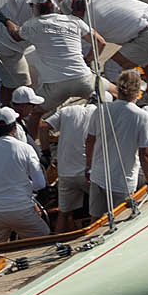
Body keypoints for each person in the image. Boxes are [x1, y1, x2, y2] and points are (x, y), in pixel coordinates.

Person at [5, 0, 106, 112]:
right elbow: (100, 43)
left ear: (34, 8)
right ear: (52, 4)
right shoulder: (74, 21)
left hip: (54, 86)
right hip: (83, 79)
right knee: (114, 93)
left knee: (36, 113)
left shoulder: (31, 26)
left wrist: (6, 21)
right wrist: (87, 59)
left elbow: (15, 35)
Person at [0, 107, 51, 245]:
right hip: (22, 211)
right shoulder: (26, 149)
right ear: (15, 126)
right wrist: (25, 186)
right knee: (46, 241)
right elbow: (40, 184)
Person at [85, 71, 148, 218]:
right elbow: (145, 154)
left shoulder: (101, 110)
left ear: (118, 88)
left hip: (98, 176)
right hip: (122, 182)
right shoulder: (142, 117)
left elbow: (90, 140)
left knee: (95, 220)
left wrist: (89, 166)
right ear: (138, 92)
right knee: (119, 220)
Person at [40, 99, 97, 233]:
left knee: (64, 213)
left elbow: (43, 126)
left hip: (65, 174)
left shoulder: (67, 111)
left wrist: (46, 153)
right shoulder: (100, 113)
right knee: (100, 209)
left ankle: (58, 241)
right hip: (88, 173)